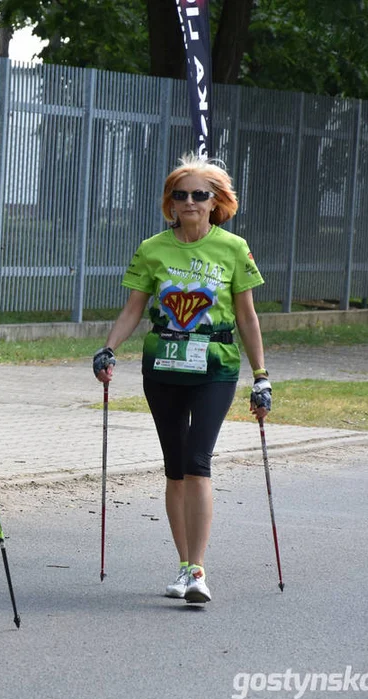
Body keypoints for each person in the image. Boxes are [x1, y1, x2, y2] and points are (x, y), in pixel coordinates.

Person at [93, 152, 272, 604]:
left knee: (198, 461)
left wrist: (261, 376)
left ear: (216, 202)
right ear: (170, 203)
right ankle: (182, 565)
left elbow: (248, 318)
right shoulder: (153, 248)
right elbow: (134, 308)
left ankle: (197, 569)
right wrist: (108, 349)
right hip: (164, 365)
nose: (189, 202)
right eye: (180, 195)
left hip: (216, 365)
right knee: (175, 467)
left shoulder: (233, 248)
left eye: (199, 195)